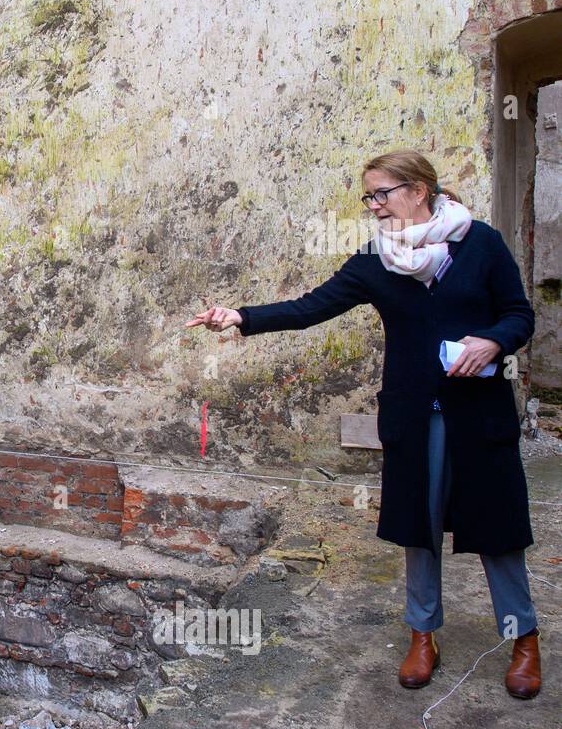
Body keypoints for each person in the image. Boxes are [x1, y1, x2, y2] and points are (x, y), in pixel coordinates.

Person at [185, 149, 541, 699]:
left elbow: (519, 313)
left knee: (498, 526)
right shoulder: (376, 261)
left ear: (419, 190)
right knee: (417, 529)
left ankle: (522, 640)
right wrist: (241, 317)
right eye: (368, 197)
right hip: (413, 414)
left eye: (382, 193)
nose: (373, 206)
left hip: (479, 413)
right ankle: (422, 634)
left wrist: (494, 340)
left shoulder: (482, 244)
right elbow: (311, 307)